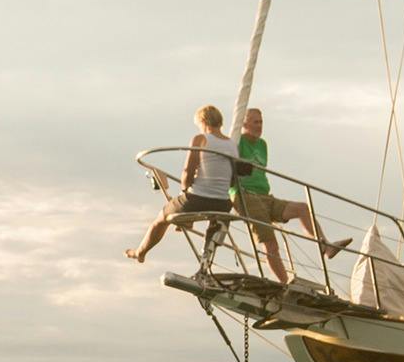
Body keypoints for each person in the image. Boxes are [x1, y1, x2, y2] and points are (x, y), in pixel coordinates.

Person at [231, 107, 342, 279]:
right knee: (271, 244)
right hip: (245, 195)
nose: (259, 126)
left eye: (261, 122)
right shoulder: (237, 141)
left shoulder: (262, 144)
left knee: (302, 208)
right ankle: (285, 284)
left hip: (265, 196)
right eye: (255, 122)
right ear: (244, 123)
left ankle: (325, 246)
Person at [125, 104, 239, 265]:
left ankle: (140, 253)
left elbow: (188, 171)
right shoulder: (233, 145)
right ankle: (205, 265)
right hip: (223, 203)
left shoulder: (200, 139)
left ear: (203, 122)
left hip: (197, 199)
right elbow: (233, 179)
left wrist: (184, 190)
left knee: (161, 219)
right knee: (213, 224)